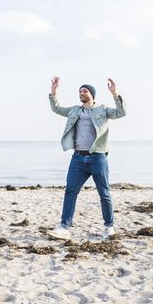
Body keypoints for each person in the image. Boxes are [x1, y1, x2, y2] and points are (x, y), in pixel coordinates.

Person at [46, 77, 125, 241]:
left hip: (98, 157)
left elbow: (121, 112)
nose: (81, 93)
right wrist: (54, 91)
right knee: (70, 191)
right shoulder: (75, 110)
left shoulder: (102, 109)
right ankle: (64, 227)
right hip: (78, 158)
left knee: (104, 193)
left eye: (85, 91)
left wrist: (114, 93)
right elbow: (57, 108)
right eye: (80, 91)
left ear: (92, 95)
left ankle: (109, 227)